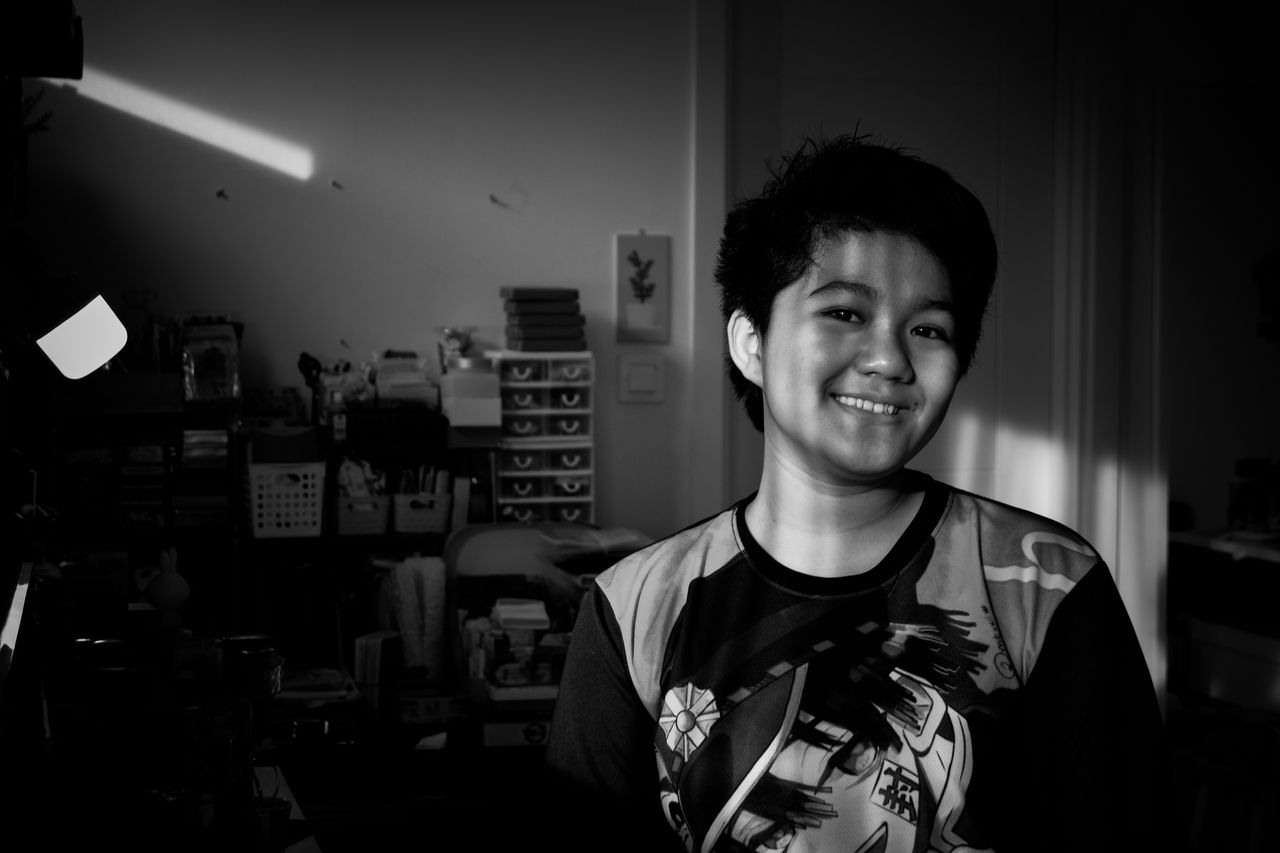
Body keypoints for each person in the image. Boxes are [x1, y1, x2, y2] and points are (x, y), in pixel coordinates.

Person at [543, 132, 1180, 852]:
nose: (889, 358)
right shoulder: (634, 607)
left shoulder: (1048, 583)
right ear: (751, 341)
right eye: (845, 312)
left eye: (929, 327)